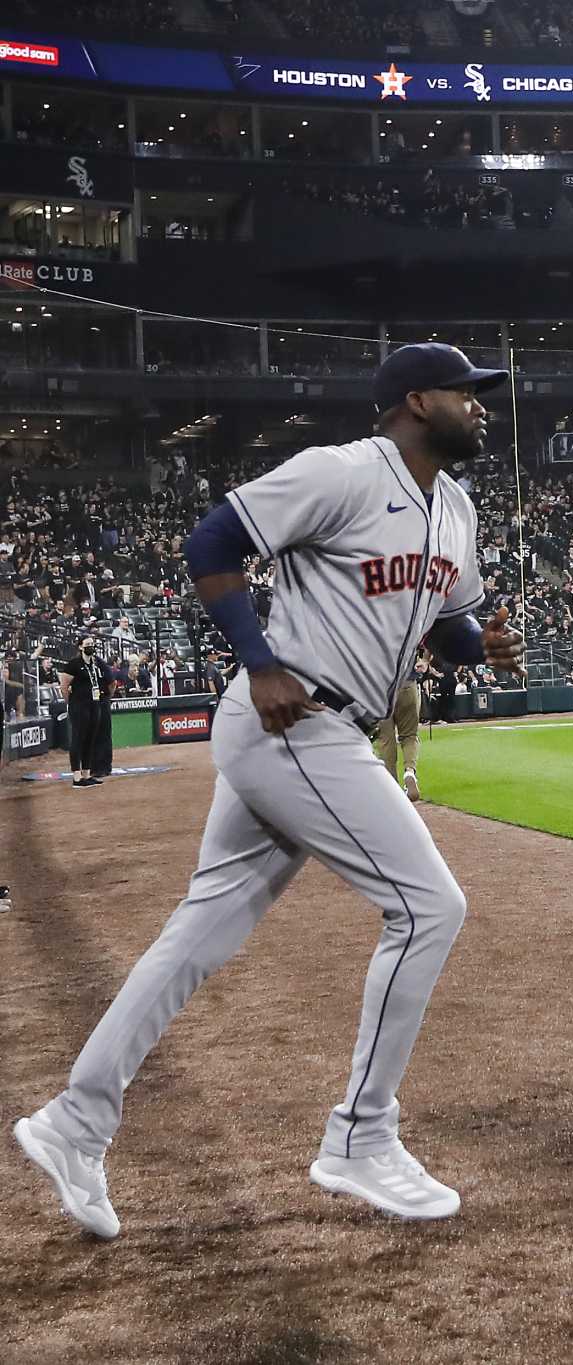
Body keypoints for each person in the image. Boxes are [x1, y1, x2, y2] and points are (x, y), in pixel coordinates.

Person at [12, 342, 524, 1238]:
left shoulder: (457, 506)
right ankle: (361, 1137)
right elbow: (211, 542)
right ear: (415, 400)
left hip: (326, 730)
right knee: (429, 905)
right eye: (465, 392)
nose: (482, 406)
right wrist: (258, 664)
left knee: (197, 933)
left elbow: (444, 622)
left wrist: (484, 649)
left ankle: (74, 1121)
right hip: (297, 722)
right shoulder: (341, 472)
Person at [55, 634, 113, 788]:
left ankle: (87, 775)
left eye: (92, 644)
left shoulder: (94, 664)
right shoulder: (74, 664)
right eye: (87, 644)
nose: (90, 646)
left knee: (90, 738)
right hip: (79, 706)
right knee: (78, 739)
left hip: (94, 704)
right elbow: (64, 686)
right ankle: (76, 777)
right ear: (80, 646)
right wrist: (71, 703)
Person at [373, 644, 427, 801]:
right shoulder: (407, 621)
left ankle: (392, 789)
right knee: (409, 735)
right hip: (407, 683)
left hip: (380, 687)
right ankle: (410, 771)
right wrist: (425, 659)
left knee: (386, 739)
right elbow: (430, 638)